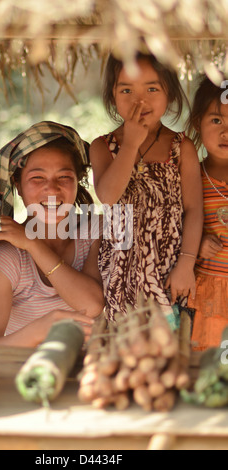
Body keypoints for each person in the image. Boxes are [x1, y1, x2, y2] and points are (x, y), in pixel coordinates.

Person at [89, 52, 204, 328]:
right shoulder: (102, 147)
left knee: (167, 345)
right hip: (120, 270)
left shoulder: (181, 148)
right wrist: (129, 145)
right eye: (126, 90)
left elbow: (193, 209)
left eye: (152, 89)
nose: (139, 100)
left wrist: (186, 265)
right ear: (112, 95)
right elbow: (107, 196)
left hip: (169, 269)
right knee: (125, 350)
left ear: (170, 94)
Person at [0, 121, 104, 347]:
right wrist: (39, 331)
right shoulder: (8, 256)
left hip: (93, 375)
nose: (52, 189)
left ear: (78, 181)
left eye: (64, 177)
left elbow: (92, 304)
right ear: (18, 184)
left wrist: (32, 243)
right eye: (37, 178)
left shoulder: (95, 231)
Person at [187, 76, 228, 350]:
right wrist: (195, 243)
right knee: (209, 364)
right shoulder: (192, 178)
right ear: (197, 123)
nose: (226, 132)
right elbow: (175, 224)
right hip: (208, 293)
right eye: (217, 120)